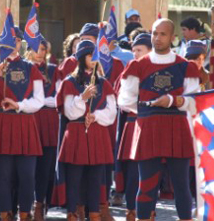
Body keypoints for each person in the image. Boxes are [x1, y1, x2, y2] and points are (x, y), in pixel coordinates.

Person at [118, 18, 200, 221]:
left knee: (181, 185)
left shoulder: (186, 66)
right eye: (155, 33)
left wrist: (172, 100)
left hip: (177, 129)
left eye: (163, 34)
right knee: (146, 184)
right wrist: (149, 108)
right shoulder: (137, 66)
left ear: (173, 38)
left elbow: (194, 102)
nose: (157, 38)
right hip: (148, 128)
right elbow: (125, 100)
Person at [0, 26, 45, 221]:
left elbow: (39, 100)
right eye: (10, 39)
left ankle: (25, 214)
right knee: (3, 176)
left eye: (17, 40)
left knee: (27, 176)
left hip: (24, 123)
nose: (14, 43)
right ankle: (6, 214)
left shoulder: (30, 67)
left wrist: (19, 105)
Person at [56, 40, 117, 221]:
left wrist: (96, 116)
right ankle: (74, 213)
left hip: (97, 133)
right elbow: (69, 112)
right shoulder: (69, 82)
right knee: (74, 178)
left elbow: (112, 112)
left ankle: (95, 214)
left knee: (95, 178)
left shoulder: (104, 83)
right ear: (82, 57)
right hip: (76, 133)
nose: (95, 59)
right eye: (91, 55)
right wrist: (82, 98)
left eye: (96, 55)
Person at [116, 33, 153, 221]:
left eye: (139, 50)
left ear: (150, 51)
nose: (135, 54)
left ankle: (149, 212)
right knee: (133, 173)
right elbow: (123, 102)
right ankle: (132, 211)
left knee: (152, 172)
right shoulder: (130, 70)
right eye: (134, 51)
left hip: (154, 125)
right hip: (134, 126)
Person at [25, 39, 60, 221]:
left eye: (43, 49)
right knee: (26, 167)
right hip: (28, 119)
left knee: (46, 167)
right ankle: (25, 204)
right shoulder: (23, 68)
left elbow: (58, 98)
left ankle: (40, 203)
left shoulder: (54, 70)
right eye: (36, 48)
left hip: (49, 121)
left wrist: (40, 101)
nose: (40, 52)